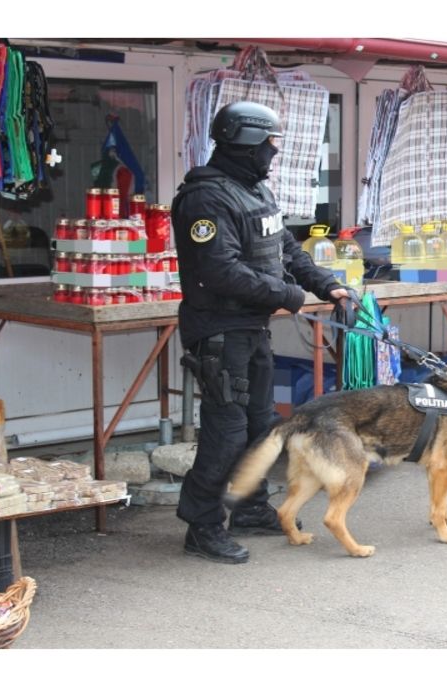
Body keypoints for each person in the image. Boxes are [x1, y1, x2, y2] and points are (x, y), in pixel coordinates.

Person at [172, 101, 355, 564]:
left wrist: (327, 286)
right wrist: (289, 296)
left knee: (260, 425)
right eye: (271, 143)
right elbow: (220, 271)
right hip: (218, 331)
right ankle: (203, 525)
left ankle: (251, 508)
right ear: (247, 141)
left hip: (250, 329)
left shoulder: (253, 191)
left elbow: (286, 249)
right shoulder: (206, 198)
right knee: (227, 432)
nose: (274, 152)